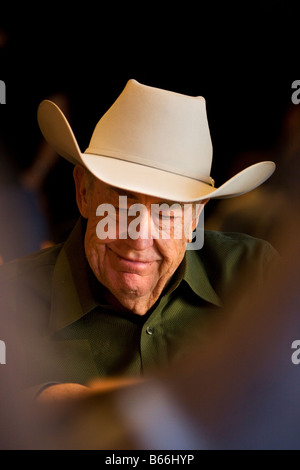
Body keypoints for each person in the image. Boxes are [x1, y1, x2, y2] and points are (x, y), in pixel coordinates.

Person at [0, 79, 277, 407]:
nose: (139, 239)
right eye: (122, 203)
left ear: (194, 219)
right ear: (84, 192)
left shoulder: (256, 275)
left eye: (168, 210)